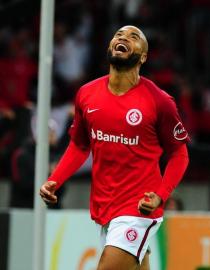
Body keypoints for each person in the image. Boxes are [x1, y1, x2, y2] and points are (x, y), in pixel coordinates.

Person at [39, 25, 189, 270]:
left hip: (139, 208)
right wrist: (55, 179)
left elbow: (179, 154)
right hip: (106, 206)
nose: (123, 38)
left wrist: (160, 195)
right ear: (110, 46)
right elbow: (79, 145)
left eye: (133, 37)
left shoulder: (159, 101)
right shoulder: (87, 94)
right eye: (119, 35)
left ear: (143, 57)